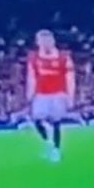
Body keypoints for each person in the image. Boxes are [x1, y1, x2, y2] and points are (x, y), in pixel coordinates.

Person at [26, 29, 76, 162]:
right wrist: (30, 93)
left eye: (47, 40)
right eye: (41, 41)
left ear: (52, 41)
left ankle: (56, 150)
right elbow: (32, 76)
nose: (45, 43)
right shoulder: (34, 58)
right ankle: (48, 142)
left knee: (56, 122)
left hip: (58, 94)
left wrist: (70, 96)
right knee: (37, 119)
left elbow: (70, 78)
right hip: (41, 94)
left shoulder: (63, 57)